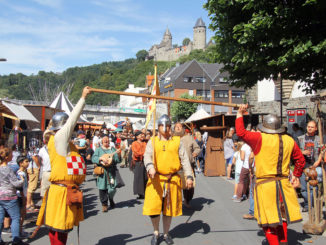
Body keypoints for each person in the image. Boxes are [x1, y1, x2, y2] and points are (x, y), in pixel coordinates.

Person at [236, 105, 305, 245]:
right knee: (282, 218)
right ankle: (283, 242)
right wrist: (296, 175)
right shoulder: (289, 140)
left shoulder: (259, 138)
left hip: (266, 186)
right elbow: (300, 160)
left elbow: (241, 133)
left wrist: (239, 114)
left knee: (269, 220)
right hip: (284, 185)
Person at [36, 87, 91, 245]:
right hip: (61, 193)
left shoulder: (65, 144)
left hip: (63, 191)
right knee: (59, 231)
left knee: (57, 230)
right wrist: (83, 98)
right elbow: (73, 119)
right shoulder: (59, 138)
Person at [143, 115, 193, 245]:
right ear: (158, 126)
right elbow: (147, 156)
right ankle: (155, 232)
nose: (165, 128)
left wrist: (189, 176)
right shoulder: (152, 141)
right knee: (154, 209)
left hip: (172, 180)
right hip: (156, 180)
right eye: (161, 125)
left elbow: (185, 160)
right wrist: (150, 167)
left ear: (170, 127)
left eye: (167, 126)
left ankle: (166, 233)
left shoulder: (177, 141)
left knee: (168, 209)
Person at [0, 147, 26, 245]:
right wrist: (22, 180)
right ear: (7, 157)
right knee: (15, 217)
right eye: (11, 154)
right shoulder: (8, 169)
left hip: (0, 195)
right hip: (9, 196)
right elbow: (16, 184)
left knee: (0, 217)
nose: (12, 155)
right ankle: (16, 239)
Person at [297, 120, 322, 212]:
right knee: (304, 188)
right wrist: (302, 152)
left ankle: (314, 203)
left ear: (315, 128)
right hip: (303, 166)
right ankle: (307, 204)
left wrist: (318, 161)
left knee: (314, 186)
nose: (310, 128)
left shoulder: (319, 139)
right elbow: (294, 151)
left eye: (312, 127)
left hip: (314, 166)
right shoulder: (300, 139)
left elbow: (322, 151)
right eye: (308, 126)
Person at [174, 122, 200, 208]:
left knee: (189, 186)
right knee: (175, 185)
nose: (178, 128)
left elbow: (197, 148)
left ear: (183, 128)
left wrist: (195, 153)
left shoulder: (189, 138)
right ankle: (176, 202)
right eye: (176, 127)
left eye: (179, 127)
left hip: (188, 165)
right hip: (175, 167)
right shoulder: (171, 139)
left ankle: (187, 200)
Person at [92, 135, 120, 212]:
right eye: (105, 141)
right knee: (102, 188)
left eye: (107, 140)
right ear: (102, 142)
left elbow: (117, 160)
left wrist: (117, 155)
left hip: (111, 171)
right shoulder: (98, 150)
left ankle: (111, 199)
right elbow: (93, 158)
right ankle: (104, 204)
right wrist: (100, 159)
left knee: (112, 189)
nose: (106, 142)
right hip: (102, 172)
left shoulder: (112, 149)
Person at [16, 155, 29, 238]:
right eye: (26, 161)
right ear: (21, 163)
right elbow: (20, 187)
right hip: (20, 196)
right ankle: (19, 231)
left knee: (22, 214)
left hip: (23, 195)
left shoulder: (23, 172)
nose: (28, 163)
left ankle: (20, 230)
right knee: (21, 214)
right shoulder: (20, 174)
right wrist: (23, 197)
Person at [131, 131, 147, 199]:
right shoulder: (134, 143)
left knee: (145, 177)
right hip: (138, 162)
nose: (142, 136)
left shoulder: (144, 143)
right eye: (140, 135)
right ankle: (140, 194)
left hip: (144, 161)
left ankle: (146, 192)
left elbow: (148, 151)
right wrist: (144, 153)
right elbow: (136, 153)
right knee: (139, 178)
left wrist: (145, 154)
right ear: (137, 136)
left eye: (142, 135)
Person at [38, 132, 51, 198]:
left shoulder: (42, 150)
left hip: (46, 171)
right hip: (51, 171)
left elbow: (39, 160)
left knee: (45, 192)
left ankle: (46, 206)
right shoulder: (42, 150)